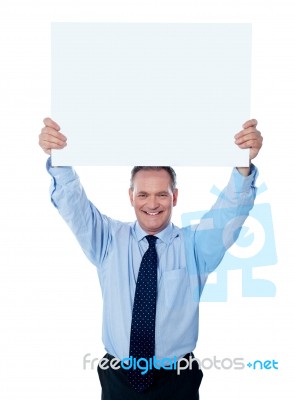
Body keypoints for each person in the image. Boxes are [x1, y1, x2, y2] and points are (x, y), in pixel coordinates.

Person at [39, 118, 263, 399]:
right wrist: (59, 160)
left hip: (176, 381)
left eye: (162, 194)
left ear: (175, 197)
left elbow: (228, 213)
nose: (152, 203)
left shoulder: (195, 245)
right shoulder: (107, 239)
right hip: (119, 377)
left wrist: (243, 167)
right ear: (131, 196)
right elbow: (75, 205)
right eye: (143, 194)